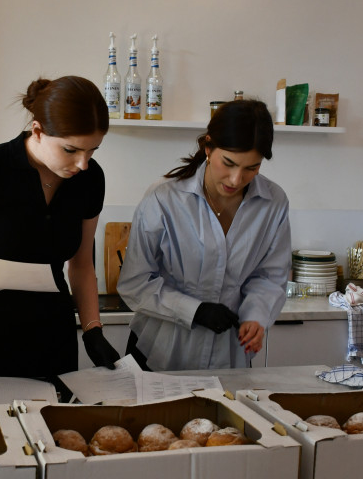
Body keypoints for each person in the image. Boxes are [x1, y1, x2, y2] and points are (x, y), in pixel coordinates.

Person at [0, 76, 121, 398]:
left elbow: (81, 266)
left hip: (50, 336)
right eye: (71, 150)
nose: (83, 164)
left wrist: (92, 329)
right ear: (38, 130)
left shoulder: (89, 179)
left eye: (93, 150)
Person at [117, 99, 291, 371]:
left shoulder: (273, 202)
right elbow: (135, 283)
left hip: (228, 351)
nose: (236, 179)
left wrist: (256, 316)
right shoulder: (164, 198)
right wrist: (194, 310)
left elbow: (269, 276)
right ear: (208, 147)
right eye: (229, 163)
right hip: (159, 351)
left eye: (251, 168)